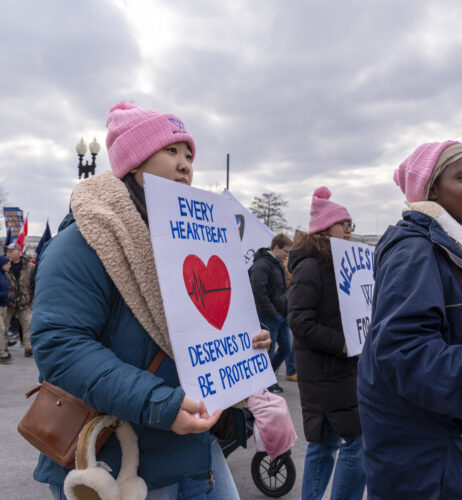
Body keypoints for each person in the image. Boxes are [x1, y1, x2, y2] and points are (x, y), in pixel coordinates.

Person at [31, 101, 271, 499]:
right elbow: (61, 344)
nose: (185, 165)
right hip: (120, 461)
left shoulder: (189, 239)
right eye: (171, 151)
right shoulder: (83, 241)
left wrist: (245, 340)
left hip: (197, 449)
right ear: (135, 164)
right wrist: (158, 403)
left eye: (189, 154)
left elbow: (204, 323)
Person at [358, 140, 462, 499]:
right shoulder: (416, 250)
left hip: (453, 451)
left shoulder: (455, 246)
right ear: (431, 189)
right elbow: (407, 353)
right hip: (435, 461)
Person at [287, 186, 365, 500]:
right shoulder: (310, 267)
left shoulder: (336, 264)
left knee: (326, 444)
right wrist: (346, 343)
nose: (349, 230)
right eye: (343, 224)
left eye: (351, 225)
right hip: (326, 370)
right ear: (325, 229)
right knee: (355, 444)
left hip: (338, 370)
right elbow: (300, 321)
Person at [249, 233, 295, 393]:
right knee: (267, 353)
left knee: (286, 349)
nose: (287, 255)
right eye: (286, 251)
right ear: (276, 247)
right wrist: (272, 313)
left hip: (281, 315)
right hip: (268, 316)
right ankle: (265, 389)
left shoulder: (277, 264)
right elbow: (258, 291)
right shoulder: (262, 264)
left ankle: (269, 380)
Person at [5, 240, 35, 357]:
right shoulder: (4, 265)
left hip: (25, 301)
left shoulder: (29, 266)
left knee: (29, 325)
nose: (8, 253)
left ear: (19, 252)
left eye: (11, 251)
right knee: (3, 326)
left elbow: (35, 281)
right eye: (7, 251)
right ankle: (3, 349)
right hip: (8, 302)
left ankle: (29, 348)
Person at [0, 256, 10, 363]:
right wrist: (5, 294)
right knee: (1, 329)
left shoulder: (3, 275)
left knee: (4, 329)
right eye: (7, 263)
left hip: (3, 306)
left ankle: (3, 350)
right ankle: (1, 354)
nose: (9, 265)